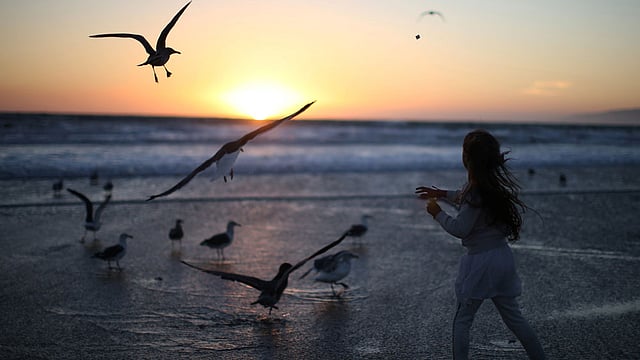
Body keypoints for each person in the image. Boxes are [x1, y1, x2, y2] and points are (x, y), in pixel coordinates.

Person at [416, 129, 545, 360]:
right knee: (514, 318)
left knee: (463, 320)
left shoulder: (476, 191)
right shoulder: (491, 188)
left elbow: (460, 229)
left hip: (481, 263)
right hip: (502, 258)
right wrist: (442, 193)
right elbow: (465, 198)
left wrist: (437, 213)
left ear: (467, 159)